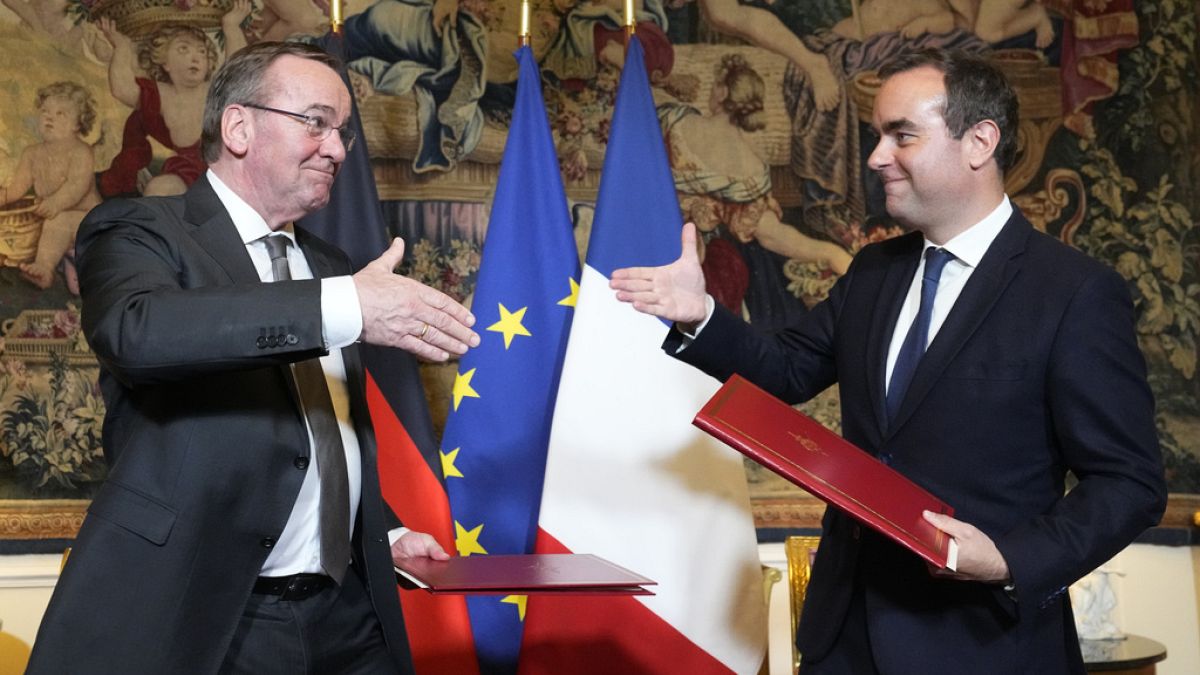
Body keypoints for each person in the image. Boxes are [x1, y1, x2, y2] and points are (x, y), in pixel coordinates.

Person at [612, 48, 1166, 673]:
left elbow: (1130, 482)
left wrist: (1011, 559)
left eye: (901, 135)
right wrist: (700, 315)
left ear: (979, 141)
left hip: (982, 644)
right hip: (842, 639)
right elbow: (789, 369)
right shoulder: (874, 271)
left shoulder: (1073, 292)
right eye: (879, 135)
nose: (877, 156)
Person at [26, 40, 481, 674]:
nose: (338, 148)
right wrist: (343, 306)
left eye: (342, 130)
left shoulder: (329, 266)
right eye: (317, 122)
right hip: (215, 617)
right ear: (239, 126)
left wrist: (381, 529)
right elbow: (139, 332)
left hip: (350, 616)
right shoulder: (139, 228)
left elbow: (315, 430)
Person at [658, 54, 851, 314]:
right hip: (691, 265)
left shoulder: (673, 119)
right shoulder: (750, 166)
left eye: (716, 85)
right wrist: (830, 253)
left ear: (723, 91)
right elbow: (771, 234)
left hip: (648, 242)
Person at [96, 2, 249, 198]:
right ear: (164, 61)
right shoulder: (161, 94)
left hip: (226, 168)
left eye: (202, 52)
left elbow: (237, 71)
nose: (195, 58)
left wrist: (231, 27)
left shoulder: (212, 89)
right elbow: (122, 89)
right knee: (158, 189)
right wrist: (122, 48)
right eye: (183, 49)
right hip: (188, 171)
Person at [0, 81, 102, 291]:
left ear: (78, 123)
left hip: (86, 220)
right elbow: (17, 189)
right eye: (45, 111)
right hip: (52, 225)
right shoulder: (32, 153)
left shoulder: (81, 152)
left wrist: (56, 202)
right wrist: (3, 197)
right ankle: (62, 261)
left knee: (60, 219)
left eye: (60, 113)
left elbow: (77, 185)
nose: (49, 117)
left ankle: (45, 269)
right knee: (45, 223)